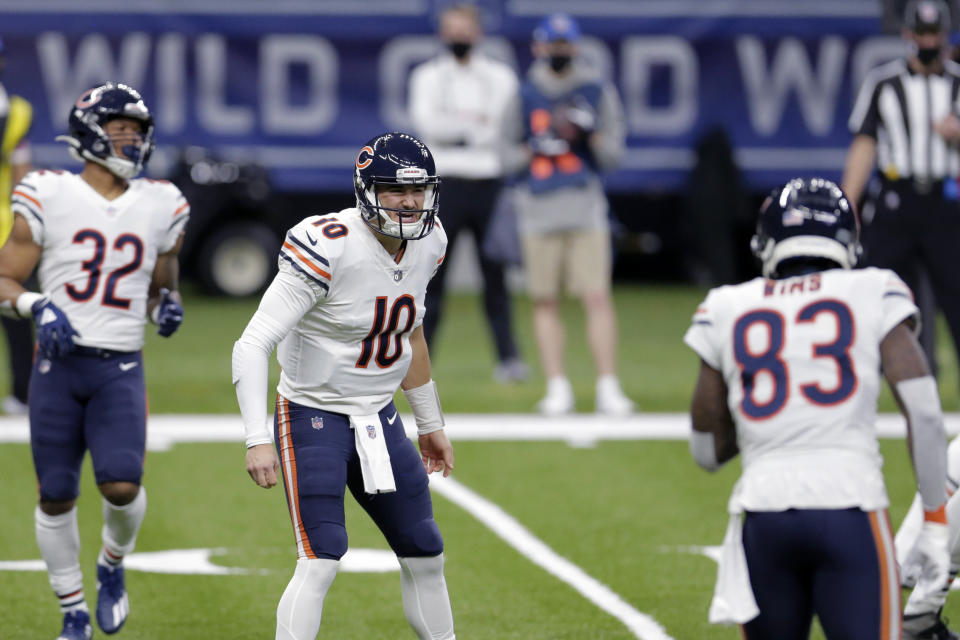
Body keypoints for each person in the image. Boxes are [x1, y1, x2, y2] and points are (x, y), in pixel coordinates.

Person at [684, 177, 950, 639]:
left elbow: (706, 452)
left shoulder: (728, 305)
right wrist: (933, 522)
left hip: (763, 512)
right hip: (850, 506)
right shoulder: (873, 290)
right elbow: (924, 411)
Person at [232, 131, 456, 640]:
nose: (409, 202)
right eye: (395, 190)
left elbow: (411, 331)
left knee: (426, 550)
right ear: (365, 190)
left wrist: (430, 422)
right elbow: (251, 344)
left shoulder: (431, 241)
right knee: (321, 559)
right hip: (314, 412)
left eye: (418, 190)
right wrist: (256, 437)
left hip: (379, 413)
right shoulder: (328, 243)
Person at [0, 82, 188, 639]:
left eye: (137, 132)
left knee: (122, 486)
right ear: (89, 134)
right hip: (59, 365)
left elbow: (162, 287)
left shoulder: (163, 203)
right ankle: (73, 611)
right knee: (55, 493)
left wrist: (165, 307)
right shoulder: (46, 192)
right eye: (119, 130)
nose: (131, 141)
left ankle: (111, 563)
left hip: (120, 367)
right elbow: (6, 277)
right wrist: (38, 305)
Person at [500, 13, 633, 415]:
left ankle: (608, 384)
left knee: (596, 296)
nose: (558, 51)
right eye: (551, 44)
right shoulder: (523, 95)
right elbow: (504, 157)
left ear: (574, 46)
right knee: (544, 300)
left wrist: (589, 132)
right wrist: (536, 147)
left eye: (564, 44)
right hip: (538, 209)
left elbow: (613, 155)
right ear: (539, 47)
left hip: (583, 205)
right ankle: (557, 385)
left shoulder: (595, 90)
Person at [842, 0, 960, 395]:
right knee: (873, 290)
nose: (928, 41)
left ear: (944, 35)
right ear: (908, 34)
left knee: (956, 295)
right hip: (896, 199)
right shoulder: (884, 83)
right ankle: (857, 382)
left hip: (947, 201)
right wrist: (849, 203)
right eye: (922, 33)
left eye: (934, 33)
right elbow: (864, 144)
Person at [408, 3, 528, 383]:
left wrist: (459, 129)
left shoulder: (500, 77)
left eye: (465, 30)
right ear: (443, 34)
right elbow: (427, 124)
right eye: (451, 30)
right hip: (445, 185)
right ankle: (420, 362)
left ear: (478, 33)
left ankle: (509, 360)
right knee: (432, 276)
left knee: (496, 275)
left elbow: (502, 129)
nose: (458, 37)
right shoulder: (427, 76)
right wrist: (471, 126)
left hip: (490, 183)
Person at [0, 36, 36, 415]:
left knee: (17, 314)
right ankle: (22, 396)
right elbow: (22, 178)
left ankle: (23, 394)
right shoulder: (17, 111)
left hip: (5, 227)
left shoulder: (17, 113)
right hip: (6, 226)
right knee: (16, 313)